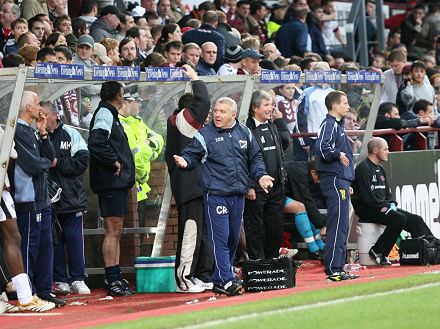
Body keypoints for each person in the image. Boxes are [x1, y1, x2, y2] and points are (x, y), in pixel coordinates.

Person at [174, 97, 274, 296]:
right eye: (216, 110)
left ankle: (221, 278)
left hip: (238, 194)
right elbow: (191, 154)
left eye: (222, 111)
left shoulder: (244, 132)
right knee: (219, 238)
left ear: (233, 115)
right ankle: (226, 280)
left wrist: (261, 175)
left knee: (232, 239)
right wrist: (185, 161)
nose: (217, 115)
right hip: (216, 194)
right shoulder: (205, 134)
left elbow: (255, 158)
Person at [9, 91, 66, 306]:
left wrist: (43, 133)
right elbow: (33, 164)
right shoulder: (18, 131)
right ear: (27, 108)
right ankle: (28, 291)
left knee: (45, 245)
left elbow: (50, 157)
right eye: (35, 103)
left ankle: (44, 289)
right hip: (28, 199)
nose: (40, 107)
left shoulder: (33, 131)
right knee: (29, 246)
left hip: (42, 198)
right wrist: (45, 163)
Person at [165, 65, 214, 293]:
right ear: (188, 112)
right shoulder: (179, 122)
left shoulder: (186, 128)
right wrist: (195, 78)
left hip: (198, 187)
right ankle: (183, 280)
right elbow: (203, 102)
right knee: (190, 234)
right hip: (189, 187)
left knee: (200, 234)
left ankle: (199, 275)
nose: (205, 118)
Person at [351, 137, 437, 265]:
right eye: (385, 149)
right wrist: (386, 206)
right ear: (375, 150)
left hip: (381, 206)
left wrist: (392, 204)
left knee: (415, 219)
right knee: (399, 219)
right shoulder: (363, 169)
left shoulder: (381, 169)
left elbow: (388, 194)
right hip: (368, 209)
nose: (388, 152)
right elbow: (367, 198)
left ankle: (430, 249)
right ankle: (378, 251)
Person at [0, 127, 55, 313]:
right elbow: (10, 155)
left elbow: (11, 153)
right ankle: (24, 297)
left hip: (4, 189)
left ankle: (22, 296)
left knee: (12, 237)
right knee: (13, 237)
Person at [88, 81, 135, 296]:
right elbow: (97, 142)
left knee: (116, 230)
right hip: (110, 182)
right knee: (112, 230)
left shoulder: (110, 114)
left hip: (116, 183)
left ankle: (115, 276)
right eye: (123, 92)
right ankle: (112, 278)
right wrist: (114, 162)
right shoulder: (105, 113)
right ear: (116, 94)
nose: (124, 96)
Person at [40, 102, 91, 295]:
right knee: (54, 240)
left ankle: (78, 278)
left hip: (71, 198)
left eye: (44, 114)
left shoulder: (71, 133)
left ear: (55, 115)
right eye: (39, 115)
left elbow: (82, 162)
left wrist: (57, 163)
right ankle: (60, 279)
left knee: (74, 240)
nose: (41, 119)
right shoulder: (36, 134)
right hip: (47, 200)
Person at [315, 90, 358, 282]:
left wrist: (345, 180)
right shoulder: (329, 124)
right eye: (345, 103)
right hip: (333, 179)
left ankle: (338, 267)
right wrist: (338, 155)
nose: (348, 107)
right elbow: (324, 150)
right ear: (335, 106)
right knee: (337, 225)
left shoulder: (336, 125)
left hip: (338, 179)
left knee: (342, 225)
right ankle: (333, 269)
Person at [244, 90, 290, 260]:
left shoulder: (272, 125)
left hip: (276, 186)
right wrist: (249, 184)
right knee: (256, 228)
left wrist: (279, 120)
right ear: (255, 108)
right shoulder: (246, 129)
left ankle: (272, 262)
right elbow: (243, 159)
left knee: (275, 227)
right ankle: (258, 264)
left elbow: (285, 144)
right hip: (256, 187)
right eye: (266, 105)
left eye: (271, 104)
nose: (271, 108)